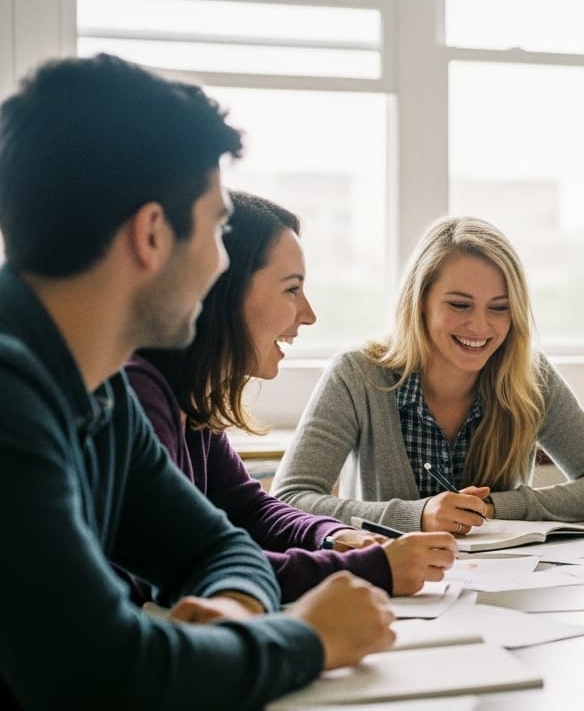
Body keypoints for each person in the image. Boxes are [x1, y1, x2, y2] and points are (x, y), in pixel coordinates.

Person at [0, 54, 393, 708]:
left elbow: (221, 544)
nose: (220, 263)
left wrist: (231, 611)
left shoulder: (101, 388)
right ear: (151, 234)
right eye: (215, 228)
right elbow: (108, 677)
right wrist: (307, 638)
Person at [128, 190, 458, 602]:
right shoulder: (138, 393)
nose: (309, 313)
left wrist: (334, 537)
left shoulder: (190, 400)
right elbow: (192, 562)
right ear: (223, 290)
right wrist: (371, 569)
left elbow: (250, 510)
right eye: (291, 290)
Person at [272, 215, 584, 531]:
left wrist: (494, 508)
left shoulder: (530, 376)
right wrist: (416, 517)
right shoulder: (357, 375)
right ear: (421, 302)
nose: (479, 326)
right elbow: (288, 501)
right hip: (395, 592)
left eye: (499, 308)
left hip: (503, 587)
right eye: (460, 304)